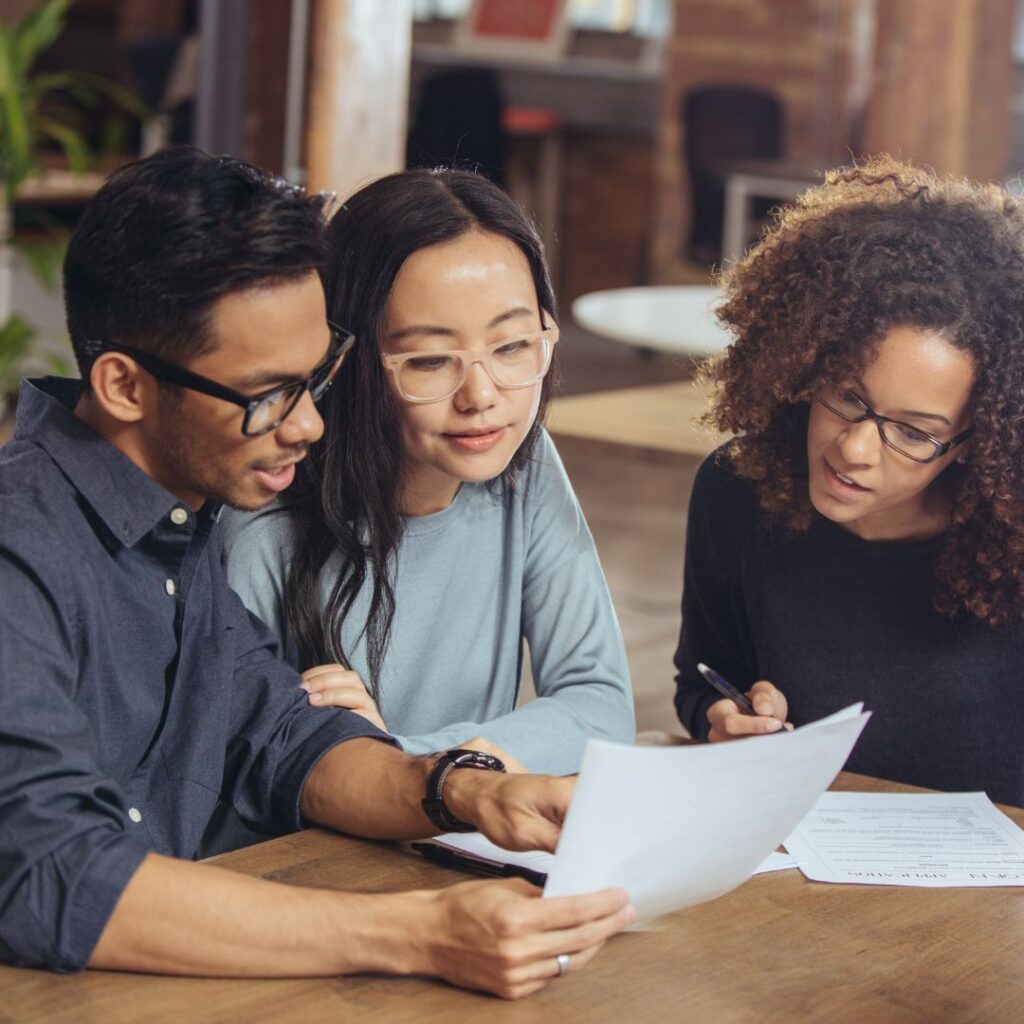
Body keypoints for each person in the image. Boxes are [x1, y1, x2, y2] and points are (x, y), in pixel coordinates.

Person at [0, 147, 634, 996]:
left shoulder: (175, 522)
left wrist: (464, 790)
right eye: (268, 395)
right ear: (124, 385)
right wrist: (421, 932)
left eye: (316, 380)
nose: (309, 426)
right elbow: (54, 873)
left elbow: (289, 742)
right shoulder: (21, 545)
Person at [221, 168, 634, 776]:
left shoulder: (527, 465)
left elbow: (600, 710)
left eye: (514, 346)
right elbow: (238, 792)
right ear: (348, 360)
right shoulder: (264, 521)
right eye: (430, 360)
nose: (481, 395)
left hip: (458, 836)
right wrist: (361, 767)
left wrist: (404, 762)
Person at [673, 157, 1024, 807]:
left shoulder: (1012, 541)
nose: (856, 449)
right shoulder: (737, 492)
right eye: (846, 397)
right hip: (801, 879)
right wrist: (722, 721)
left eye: (915, 433)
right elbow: (702, 683)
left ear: (978, 443)